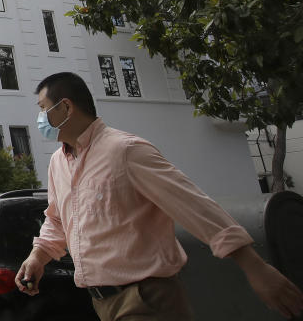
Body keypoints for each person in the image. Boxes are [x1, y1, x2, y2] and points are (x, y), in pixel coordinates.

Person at [15, 71, 303, 321]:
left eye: (43, 108)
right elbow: (58, 219)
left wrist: (255, 267)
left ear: (66, 107)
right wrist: (38, 257)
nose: (40, 119)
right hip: (102, 302)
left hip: (147, 298)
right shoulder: (58, 163)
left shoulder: (125, 151)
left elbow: (192, 204)